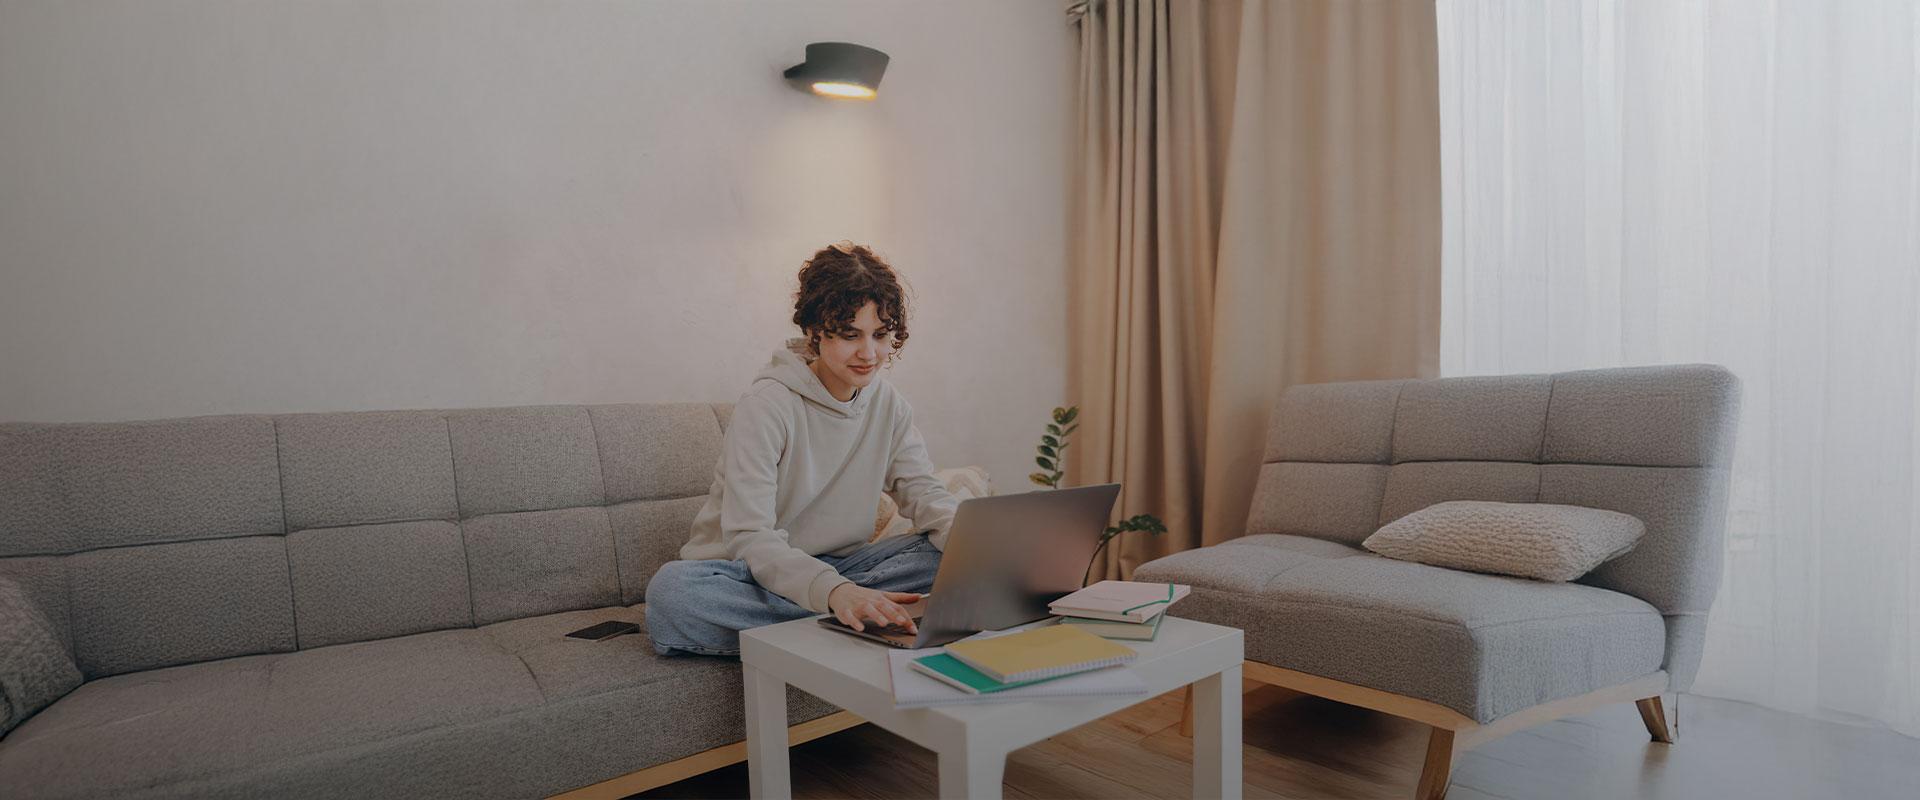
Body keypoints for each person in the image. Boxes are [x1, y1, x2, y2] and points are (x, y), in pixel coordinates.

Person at [644, 243, 962, 656]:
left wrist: (981, 549)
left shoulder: (889, 405)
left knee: (946, 557)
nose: (869, 353)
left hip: (842, 568)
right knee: (673, 593)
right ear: (814, 330)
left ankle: (831, 620)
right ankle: (845, 616)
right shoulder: (767, 405)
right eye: (851, 335)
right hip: (746, 574)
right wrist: (836, 593)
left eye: (881, 335)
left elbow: (926, 496)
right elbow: (751, 536)